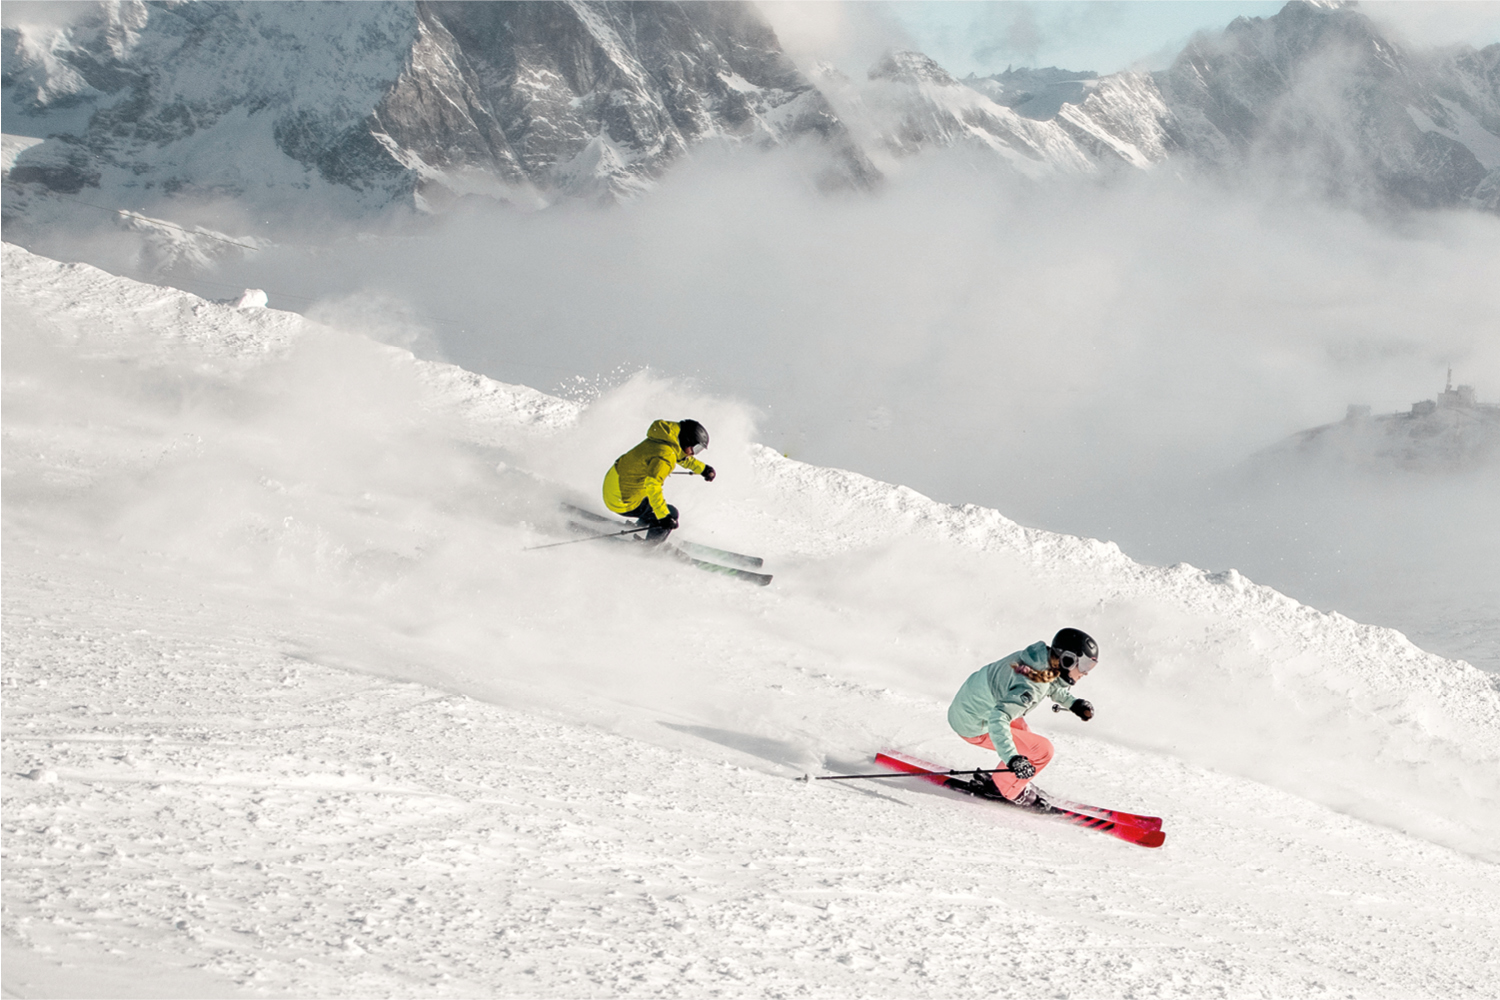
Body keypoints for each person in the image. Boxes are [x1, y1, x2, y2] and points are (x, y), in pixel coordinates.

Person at [946, 628, 1098, 810]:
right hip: (973, 724)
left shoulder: (1037, 660)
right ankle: (1005, 789)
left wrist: (1073, 703)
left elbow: (1048, 682)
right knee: (1042, 751)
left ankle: (1006, 780)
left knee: (1027, 740)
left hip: (969, 707)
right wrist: (1012, 759)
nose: (1085, 673)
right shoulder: (1031, 687)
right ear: (1067, 660)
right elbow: (999, 718)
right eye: (1084, 666)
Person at [602, 419, 714, 544]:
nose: (694, 453)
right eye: (696, 448)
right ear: (686, 441)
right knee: (671, 513)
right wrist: (663, 516)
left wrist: (703, 469)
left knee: (653, 504)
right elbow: (653, 486)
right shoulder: (666, 456)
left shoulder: (664, 439)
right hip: (623, 500)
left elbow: (680, 456)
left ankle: (640, 527)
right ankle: (648, 548)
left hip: (613, 485)